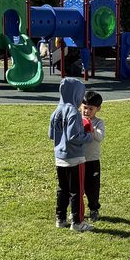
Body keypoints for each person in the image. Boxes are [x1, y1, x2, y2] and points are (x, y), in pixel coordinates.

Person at [49, 76, 93, 232]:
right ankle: (77, 222)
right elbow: (74, 136)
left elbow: (51, 135)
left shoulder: (56, 111)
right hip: (75, 158)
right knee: (77, 192)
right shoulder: (73, 112)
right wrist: (89, 136)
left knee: (63, 189)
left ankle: (60, 218)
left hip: (59, 158)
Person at [81, 89, 105, 223]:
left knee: (93, 187)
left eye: (91, 109)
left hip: (92, 160)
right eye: (85, 108)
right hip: (78, 159)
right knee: (78, 187)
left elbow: (100, 137)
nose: (87, 111)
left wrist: (91, 127)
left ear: (98, 109)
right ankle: (77, 210)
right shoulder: (77, 120)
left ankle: (94, 209)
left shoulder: (99, 123)